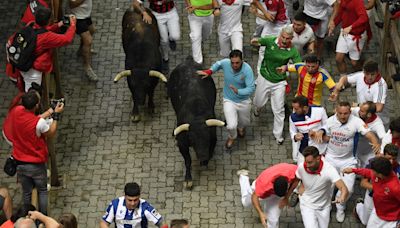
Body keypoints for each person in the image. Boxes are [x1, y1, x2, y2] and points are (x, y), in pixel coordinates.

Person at [3, 90, 64, 215]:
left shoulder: (17, 111)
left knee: (26, 192)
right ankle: (42, 217)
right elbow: (51, 132)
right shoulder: (39, 124)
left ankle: (27, 216)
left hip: (19, 162)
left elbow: (31, 118)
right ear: (36, 105)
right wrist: (56, 115)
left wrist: (49, 112)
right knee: (42, 191)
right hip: (35, 164)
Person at [321, 101, 380, 222]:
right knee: (327, 187)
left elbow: (370, 135)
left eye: (346, 113)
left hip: (348, 161)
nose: (343, 116)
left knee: (349, 189)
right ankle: (326, 208)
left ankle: (340, 207)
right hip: (330, 159)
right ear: (336, 111)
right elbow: (322, 131)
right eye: (340, 113)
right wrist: (319, 133)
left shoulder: (357, 122)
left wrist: (376, 145)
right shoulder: (330, 120)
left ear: (350, 112)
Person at [250, 25, 302, 145]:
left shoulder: (293, 51)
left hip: (279, 82)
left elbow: (300, 66)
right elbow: (257, 41)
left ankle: (278, 135)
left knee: (279, 110)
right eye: (283, 37)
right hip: (264, 77)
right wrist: (254, 41)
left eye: (287, 38)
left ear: (291, 38)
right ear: (280, 35)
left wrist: (287, 67)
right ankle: (257, 108)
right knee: (258, 102)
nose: (284, 40)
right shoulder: (270, 41)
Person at [197, 50, 255, 149]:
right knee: (231, 125)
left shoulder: (247, 70)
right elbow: (218, 64)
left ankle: (241, 128)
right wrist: (210, 71)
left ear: (242, 61)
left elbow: (251, 88)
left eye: (237, 62)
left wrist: (239, 91)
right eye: (232, 62)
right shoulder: (226, 63)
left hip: (244, 101)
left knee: (244, 122)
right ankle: (232, 136)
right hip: (229, 100)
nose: (234, 65)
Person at [19, 7, 76, 92]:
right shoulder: (46, 37)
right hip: (32, 71)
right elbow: (67, 39)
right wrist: (72, 25)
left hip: (23, 62)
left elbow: (43, 30)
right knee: (33, 95)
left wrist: (59, 25)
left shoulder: (31, 25)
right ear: (48, 21)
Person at [296, 146, 349, 228]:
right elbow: (298, 177)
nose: (307, 165)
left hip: (324, 206)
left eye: (310, 162)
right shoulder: (302, 167)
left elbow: (343, 188)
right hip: (307, 204)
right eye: (306, 162)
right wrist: (301, 185)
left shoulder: (329, 170)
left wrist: (342, 197)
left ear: (318, 158)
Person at [342, 157, 400, 227]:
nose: (372, 172)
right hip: (377, 212)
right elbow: (367, 172)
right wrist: (353, 170)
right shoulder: (377, 174)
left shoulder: (396, 187)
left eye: (373, 171)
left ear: (380, 174)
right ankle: (359, 206)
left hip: (391, 219)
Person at [237, 163, 299, 228]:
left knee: (273, 219)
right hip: (259, 189)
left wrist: (286, 197)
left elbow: (296, 180)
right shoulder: (264, 185)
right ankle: (243, 176)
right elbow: (254, 197)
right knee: (245, 203)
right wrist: (260, 213)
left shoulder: (292, 171)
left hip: (274, 194)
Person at [332, 60, 389, 129]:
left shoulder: (381, 85)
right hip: (361, 117)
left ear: (377, 72)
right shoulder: (360, 75)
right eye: (367, 74)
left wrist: (358, 106)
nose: (370, 77)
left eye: (372, 74)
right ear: (364, 72)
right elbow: (344, 78)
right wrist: (338, 87)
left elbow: (379, 107)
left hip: (377, 122)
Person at [353, 144, 400, 226]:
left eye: (394, 159)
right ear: (383, 155)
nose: (391, 162)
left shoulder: (398, 168)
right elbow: (363, 183)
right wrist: (380, 190)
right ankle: (359, 206)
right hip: (372, 196)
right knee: (365, 221)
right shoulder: (374, 163)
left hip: (387, 202)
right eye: (389, 158)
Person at [132, 0, 180, 72]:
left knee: (175, 36)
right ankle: (165, 59)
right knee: (164, 40)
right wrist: (144, 13)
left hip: (171, 12)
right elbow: (135, 3)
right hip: (157, 15)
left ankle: (171, 38)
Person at [330, 0, 370, 75]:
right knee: (338, 59)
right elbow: (341, 13)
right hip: (345, 32)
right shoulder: (343, 1)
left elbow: (364, 18)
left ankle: (361, 73)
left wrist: (351, 27)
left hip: (357, 34)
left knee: (354, 63)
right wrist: (334, 25)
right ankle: (343, 78)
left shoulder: (357, 2)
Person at [289, 96, 328, 162]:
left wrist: (322, 131)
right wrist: (295, 136)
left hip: (320, 148)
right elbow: (292, 131)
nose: (294, 111)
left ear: (305, 107)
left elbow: (327, 124)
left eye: (296, 109)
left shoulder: (320, 110)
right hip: (303, 149)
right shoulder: (293, 117)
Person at [68, 0, 98, 81]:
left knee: (91, 30)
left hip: (86, 15)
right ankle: (87, 67)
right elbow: (71, 4)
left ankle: (81, 50)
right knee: (88, 41)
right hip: (78, 18)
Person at [351, 101, 386, 168]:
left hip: (368, 154)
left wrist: (380, 146)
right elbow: (347, 110)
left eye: (362, 111)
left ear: (369, 114)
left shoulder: (378, 124)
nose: (359, 112)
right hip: (355, 150)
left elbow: (384, 138)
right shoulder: (357, 111)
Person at [185, 0, 219, 64]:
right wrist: (189, 5)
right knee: (195, 37)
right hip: (194, 16)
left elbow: (212, 5)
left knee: (206, 35)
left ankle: (201, 41)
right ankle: (198, 63)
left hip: (208, 16)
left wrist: (196, 7)